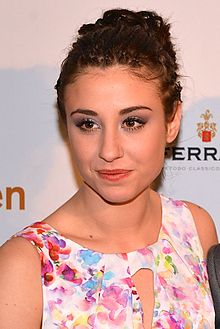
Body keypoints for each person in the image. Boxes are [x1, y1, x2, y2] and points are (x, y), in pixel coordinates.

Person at [0, 8, 218, 329]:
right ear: (66, 126)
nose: (109, 150)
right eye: (88, 123)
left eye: (132, 122)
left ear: (172, 122)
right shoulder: (25, 265)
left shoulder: (195, 228)